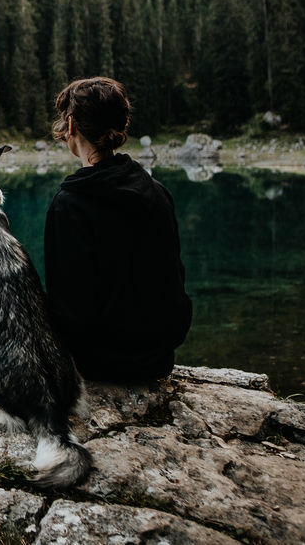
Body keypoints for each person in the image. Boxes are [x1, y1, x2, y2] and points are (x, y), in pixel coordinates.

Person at [43, 77, 192, 382]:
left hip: (99, 365)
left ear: (71, 126)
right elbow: (174, 279)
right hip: (158, 360)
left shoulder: (69, 204)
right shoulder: (157, 191)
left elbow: (68, 309)